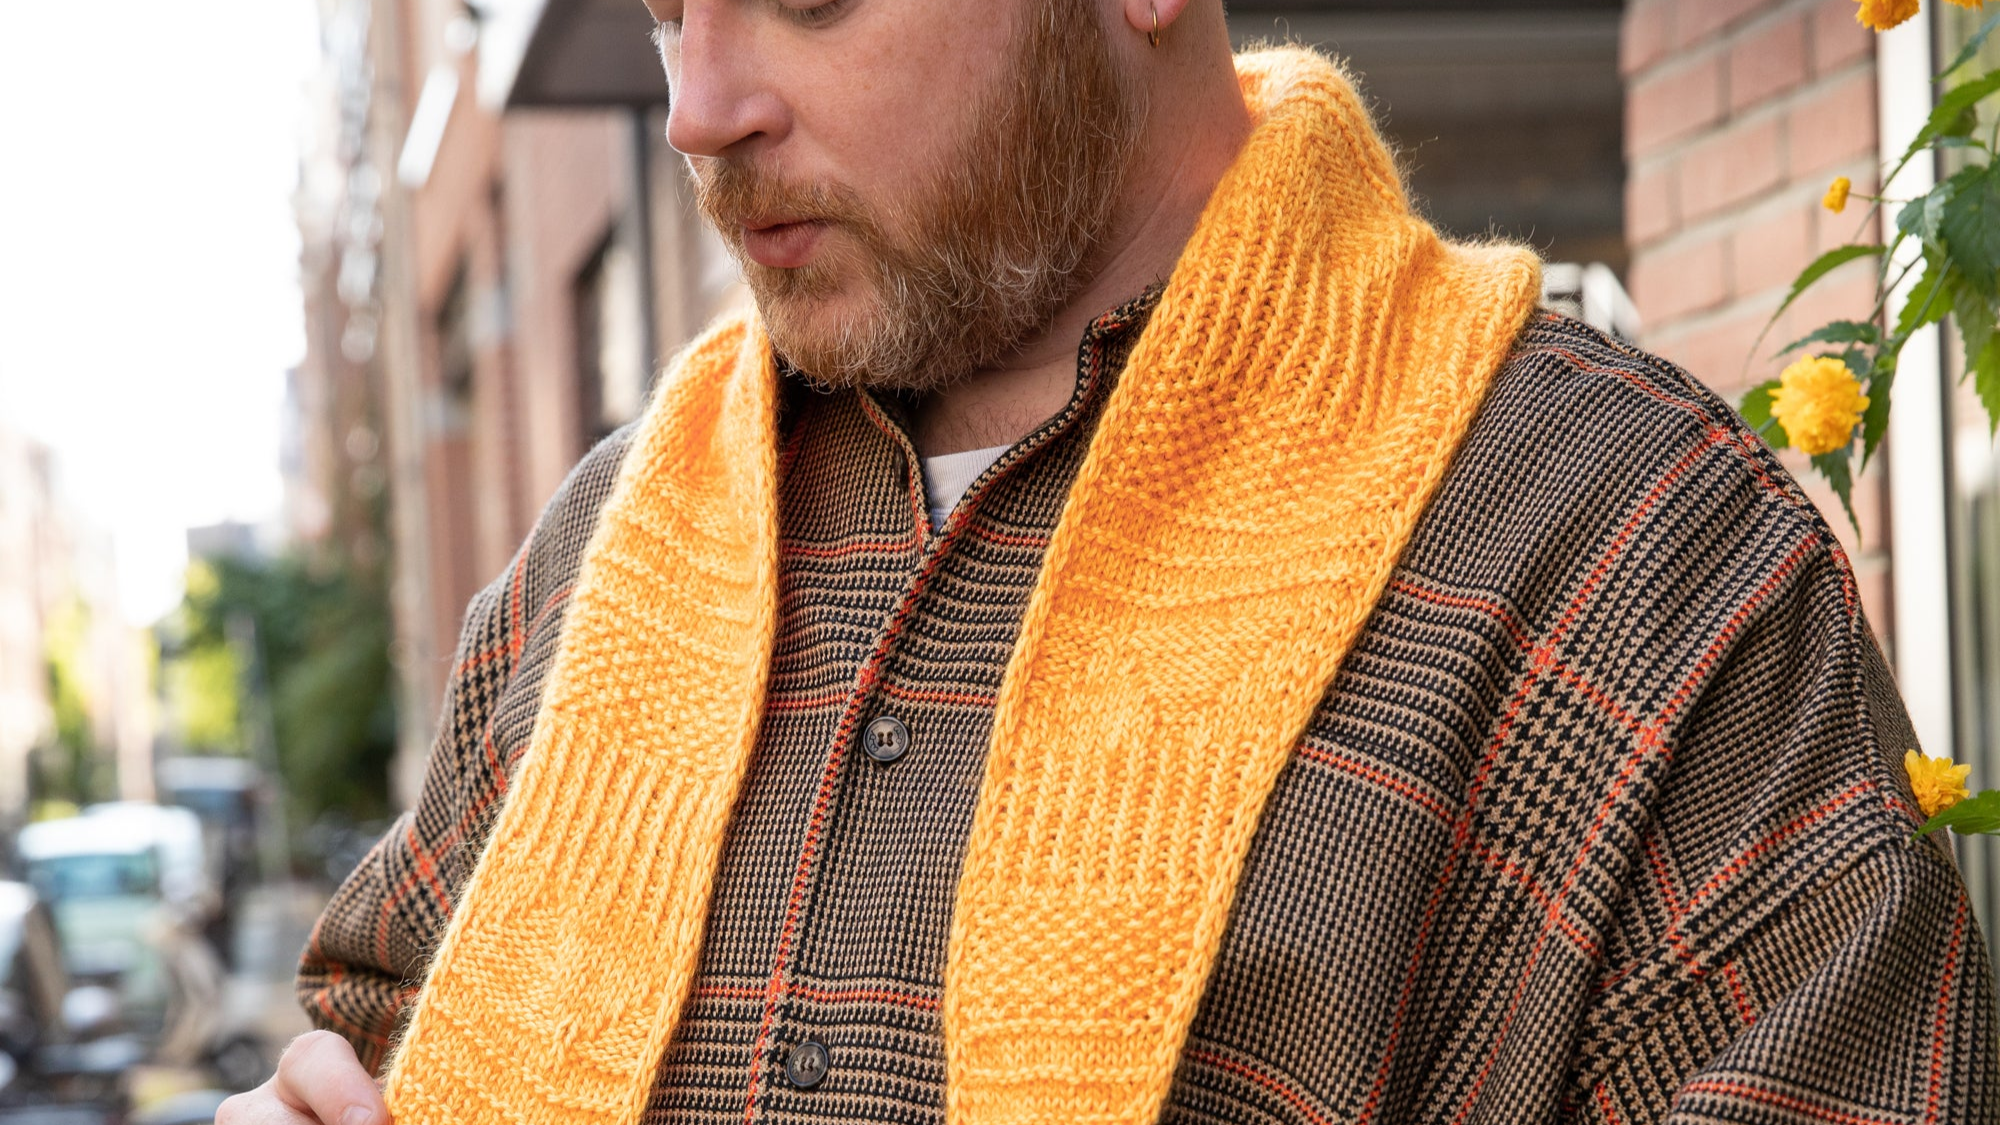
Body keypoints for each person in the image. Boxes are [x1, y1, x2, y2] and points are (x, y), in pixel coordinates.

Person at [223, 0, 2000, 1122]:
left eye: (806, 0)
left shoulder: (1635, 554)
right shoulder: (596, 559)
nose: (700, 105)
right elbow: (381, 1021)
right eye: (673, 4)